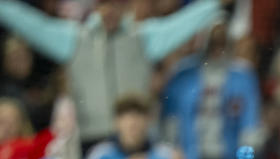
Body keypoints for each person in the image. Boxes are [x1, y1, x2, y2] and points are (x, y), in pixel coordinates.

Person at [0, 0, 230, 148]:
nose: (110, 10)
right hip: (92, 138)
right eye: (105, 4)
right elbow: (30, 23)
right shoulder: (74, 39)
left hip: (138, 137)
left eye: (117, 4)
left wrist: (214, 4)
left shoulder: (142, 38)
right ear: (95, 6)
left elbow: (183, 22)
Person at [161, 21, 261, 159]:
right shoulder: (183, 73)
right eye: (213, 43)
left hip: (227, 156)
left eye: (222, 43)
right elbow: (171, 119)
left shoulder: (243, 76)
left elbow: (250, 124)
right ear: (204, 43)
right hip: (189, 154)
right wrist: (171, 153)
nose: (217, 49)